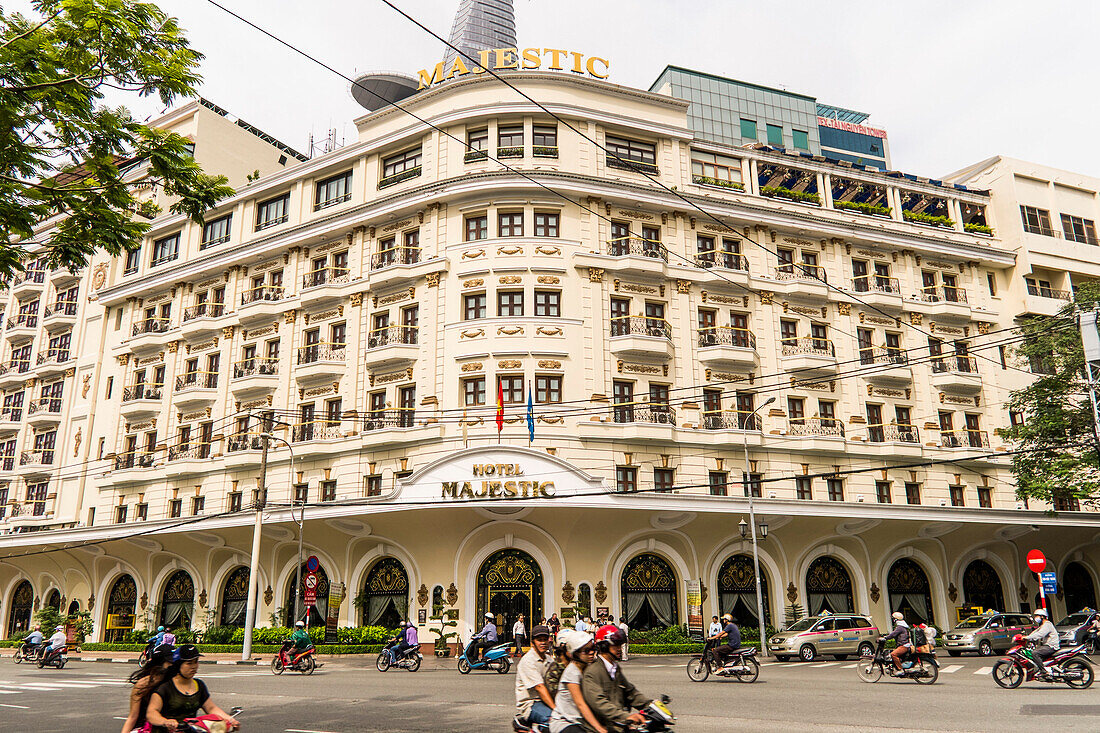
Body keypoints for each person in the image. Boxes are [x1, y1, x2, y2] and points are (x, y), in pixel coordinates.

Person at [145, 644, 239, 732]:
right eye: (189, 663)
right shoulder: (166, 688)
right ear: (178, 664)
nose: (194, 667)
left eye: (196, 662)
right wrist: (165, 722)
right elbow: (151, 713)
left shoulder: (199, 685)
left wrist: (230, 719)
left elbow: (211, 708)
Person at [582, 624, 652, 732]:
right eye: (615, 645)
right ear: (604, 646)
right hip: (601, 728)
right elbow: (600, 703)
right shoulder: (592, 672)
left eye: (620, 645)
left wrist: (651, 705)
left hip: (618, 724)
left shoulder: (615, 668)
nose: (619, 649)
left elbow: (631, 692)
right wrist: (626, 717)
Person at [548, 631, 605, 733]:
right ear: (575, 653)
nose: (591, 652)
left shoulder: (589, 668)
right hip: (566, 721)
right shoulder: (572, 672)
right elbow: (580, 704)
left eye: (593, 649)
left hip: (582, 721)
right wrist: (599, 729)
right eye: (586, 650)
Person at [121, 643, 175, 733]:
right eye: (170, 662)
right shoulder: (143, 684)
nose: (173, 666)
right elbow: (133, 717)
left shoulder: (177, 681)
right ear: (159, 663)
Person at [515, 625, 554, 727]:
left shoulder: (550, 660)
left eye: (545, 640)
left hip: (547, 700)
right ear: (532, 643)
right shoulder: (528, 661)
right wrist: (556, 709)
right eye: (539, 640)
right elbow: (540, 687)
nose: (543, 643)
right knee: (554, 720)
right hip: (531, 703)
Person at [1026, 608, 1060, 679]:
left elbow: (1040, 634)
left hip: (1051, 646)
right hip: (1048, 646)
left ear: (1042, 616)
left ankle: (1043, 671)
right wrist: (1028, 637)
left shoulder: (1047, 625)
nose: (1036, 618)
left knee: (1035, 653)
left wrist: (1027, 638)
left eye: (1037, 616)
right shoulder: (1043, 625)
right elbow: (1036, 632)